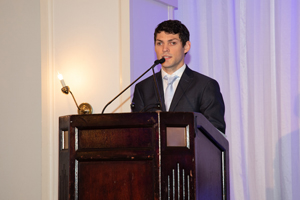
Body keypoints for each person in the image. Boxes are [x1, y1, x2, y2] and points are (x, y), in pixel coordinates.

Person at [131, 20, 226, 133]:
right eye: (159, 43)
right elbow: (136, 131)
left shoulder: (205, 86)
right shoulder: (143, 88)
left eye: (172, 43)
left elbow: (216, 133)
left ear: (186, 46)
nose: (164, 49)